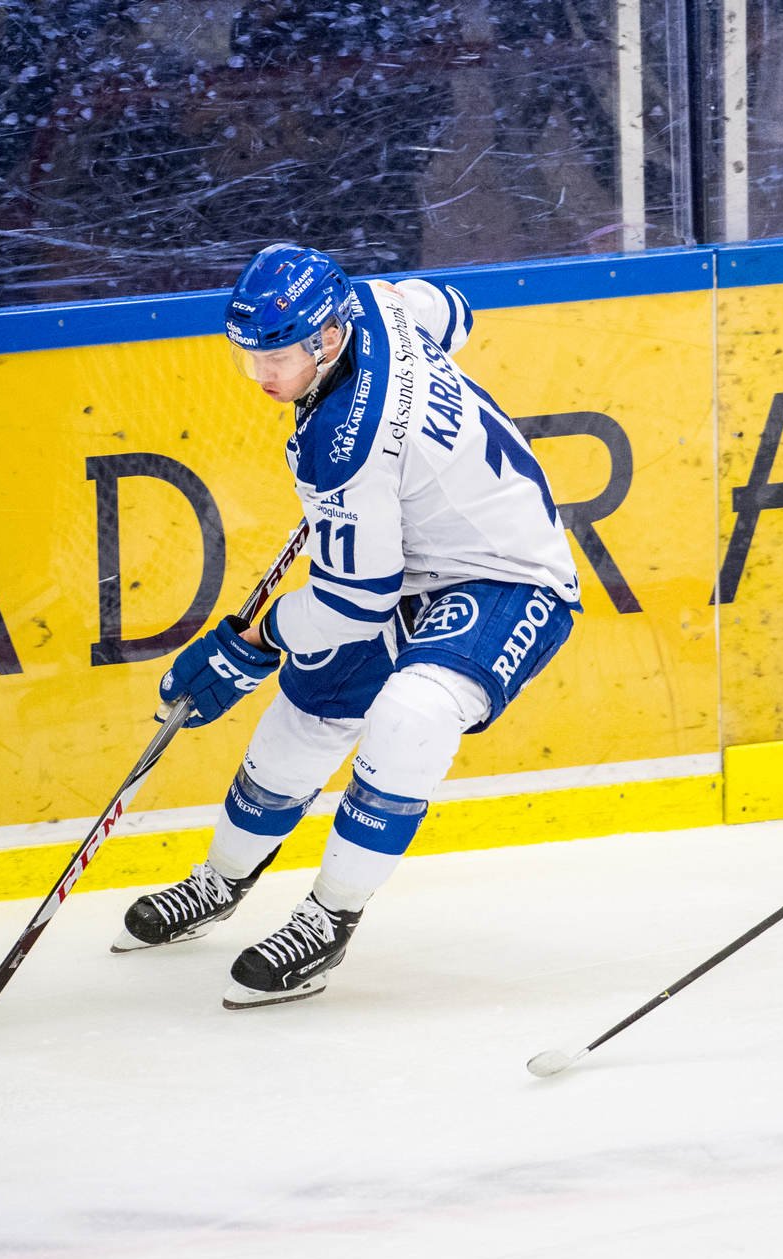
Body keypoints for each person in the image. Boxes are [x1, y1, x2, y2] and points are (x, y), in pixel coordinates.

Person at [113, 243, 580, 1008]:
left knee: (410, 715)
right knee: (304, 717)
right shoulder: (375, 303)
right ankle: (221, 881)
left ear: (328, 338)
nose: (265, 378)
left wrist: (250, 645)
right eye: (250, 358)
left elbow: (354, 602)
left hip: (509, 577)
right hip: (414, 559)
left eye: (281, 357)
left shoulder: (345, 443)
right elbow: (452, 312)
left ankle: (328, 919)